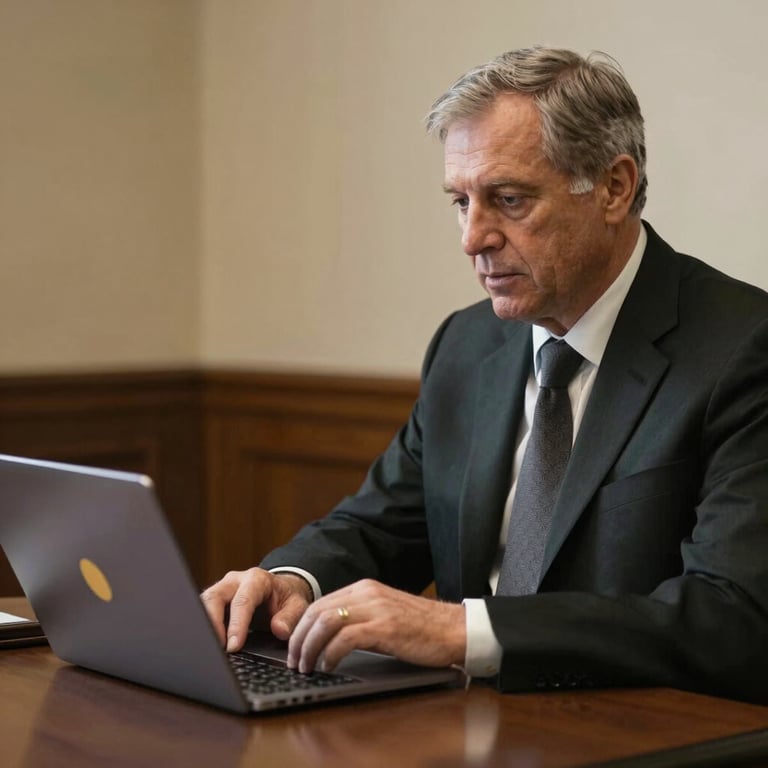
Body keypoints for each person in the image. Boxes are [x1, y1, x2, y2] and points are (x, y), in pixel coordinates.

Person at [201, 46, 768, 702]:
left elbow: (732, 618)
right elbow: (383, 524)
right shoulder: (468, 345)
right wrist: (290, 581)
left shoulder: (743, 350)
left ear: (613, 187)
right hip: (467, 727)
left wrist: (462, 630)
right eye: (460, 202)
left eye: (508, 200)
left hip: (643, 730)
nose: (473, 237)